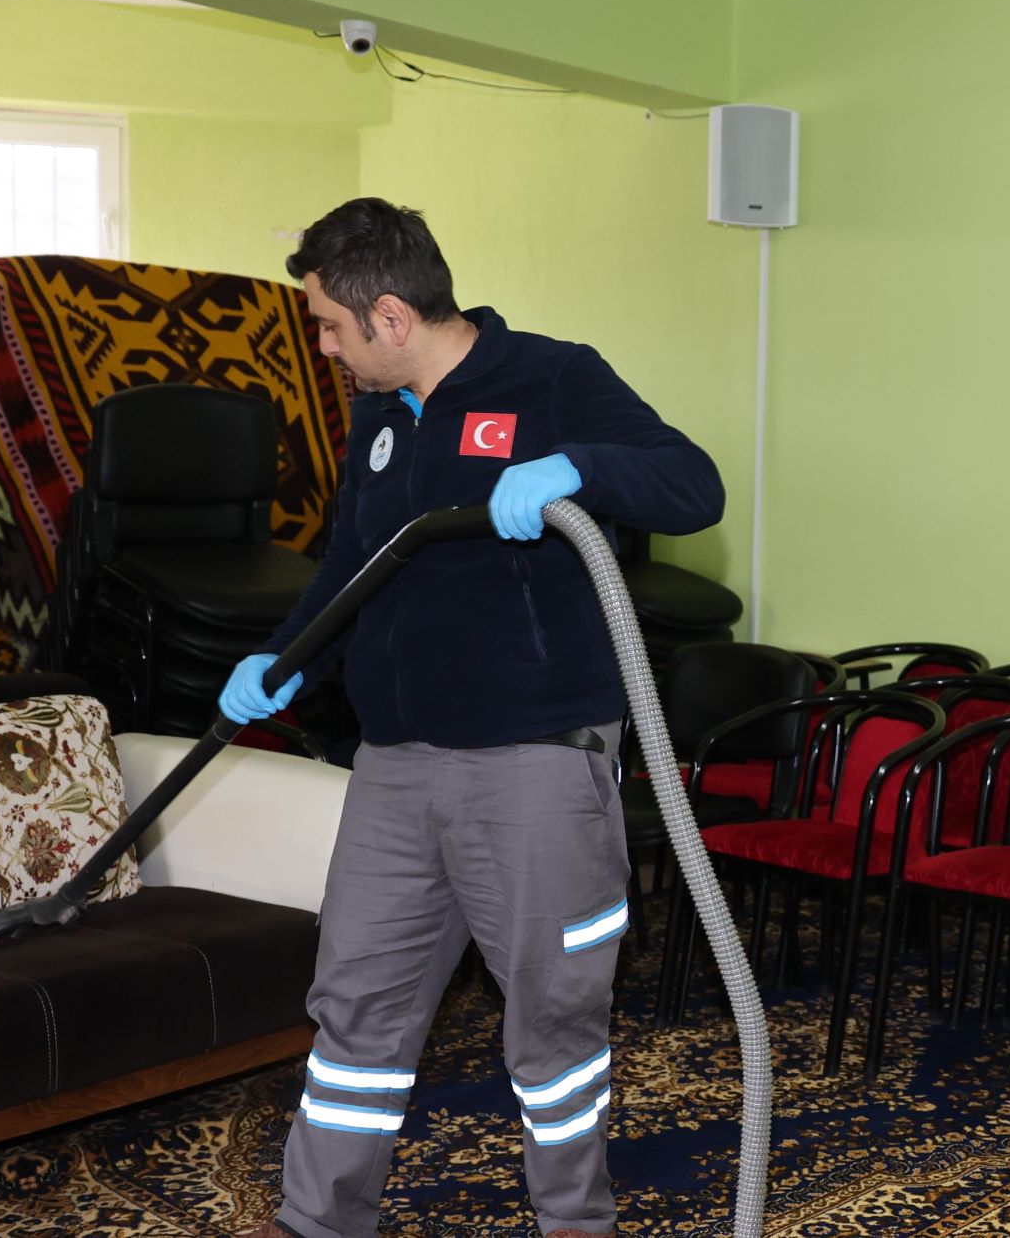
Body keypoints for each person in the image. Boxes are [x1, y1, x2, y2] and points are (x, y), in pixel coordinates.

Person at [225, 198, 724, 1238]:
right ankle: (317, 1222)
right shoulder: (379, 415)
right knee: (355, 1005)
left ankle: (574, 1223)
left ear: (391, 315)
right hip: (394, 764)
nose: (324, 347)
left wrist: (578, 466)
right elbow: (351, 562)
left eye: (330, 325)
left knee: (553, 1020)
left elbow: (693, 484)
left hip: (531, 764)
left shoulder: (551, 377)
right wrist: (285, 656)